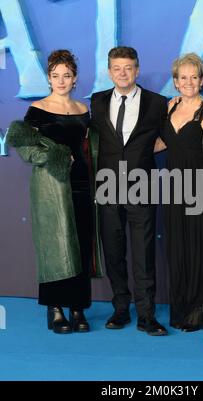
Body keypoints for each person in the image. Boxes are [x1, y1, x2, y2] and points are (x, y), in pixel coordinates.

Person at [7, 50, 103, 334]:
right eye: (56, 76)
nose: (61, 81)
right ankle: (56, 308)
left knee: (81, 244)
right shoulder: (37, 109)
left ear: (74, 80)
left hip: (83, 183)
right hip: (51, 185)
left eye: (67, 76)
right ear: (49, 79)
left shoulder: (83, 111)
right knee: (56, 244)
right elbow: (24, 146)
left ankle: (78, 307)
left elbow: (91, 146)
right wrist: (54, 157)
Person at [90, 46, 168, 336]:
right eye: (117, 68)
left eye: (129, 67)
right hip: (107, 187)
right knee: (114, 251)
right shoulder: (97, 102)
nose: (123, 73)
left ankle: (147, 315)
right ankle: (121, 308)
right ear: (109, 72)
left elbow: (173, 135)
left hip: (142, 187)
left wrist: (145, 153)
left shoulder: (157, 103)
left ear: (137, 69)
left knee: (144, 252)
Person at [154, 53, 203, 331]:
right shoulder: (169, 108)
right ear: (175, 81)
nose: (188, 82)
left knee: (199, 244)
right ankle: (182, 306)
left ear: (201, 80)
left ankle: (201, 307)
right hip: (173, 186)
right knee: (178, 245)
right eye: (182, 77)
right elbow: (160, 143)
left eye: (193, 77)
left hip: (200, 186)